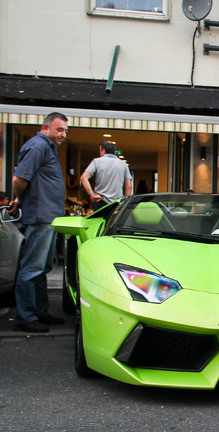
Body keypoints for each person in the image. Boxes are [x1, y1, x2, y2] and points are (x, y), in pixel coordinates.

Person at [8, 112, 68, 333]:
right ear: (45, 127)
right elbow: (19, 178)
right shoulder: (38, 146)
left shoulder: (48, 146)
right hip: (41, 214)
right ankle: (25, 317)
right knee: (32, 267)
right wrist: (19, 197)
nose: (62, 134)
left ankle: (40, 312)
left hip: (48, 216)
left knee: (42, 267)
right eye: (59, 129)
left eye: (65, 131)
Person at [80, 140, 132, 211]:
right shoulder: (123, 165)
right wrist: (124, 203)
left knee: (100, 222)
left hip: (100, 202)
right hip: (117, 203)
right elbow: (129, 187)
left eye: (100, 151)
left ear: (103, 150)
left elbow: (83, 178)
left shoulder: (96, 161)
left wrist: (92, 195)